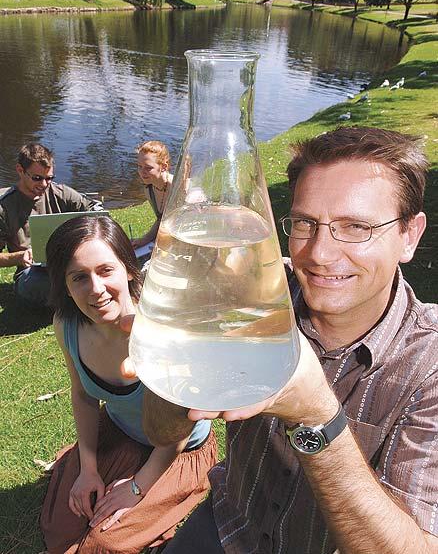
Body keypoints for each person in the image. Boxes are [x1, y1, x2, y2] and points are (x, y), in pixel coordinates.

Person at [124, 126, 437, 553]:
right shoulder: (251, 296)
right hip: (229, 527)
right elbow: (161, 431)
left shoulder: (429, 365)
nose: (320, 254)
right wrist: (174, 368)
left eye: (356, 227)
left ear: (410, 235)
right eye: (306, 223)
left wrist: (317, 416)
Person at [40, 215, 217, 554]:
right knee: (64, 525)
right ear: (64, 284)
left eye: (106, 270)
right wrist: (88, 469)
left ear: (129, 269)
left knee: (103, 541)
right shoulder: (66, 326)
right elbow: (83, 396)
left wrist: (138, 486)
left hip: (176, 450)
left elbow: (179, 428)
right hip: (120, 432)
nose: (95, 289)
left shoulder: (158, 329)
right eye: (79, 277)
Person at [0, 143, 102, 305]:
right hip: (33, 272)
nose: (44, 184)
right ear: (20, 170)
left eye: (49, 178)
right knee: (34, 284)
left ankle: (76, 292)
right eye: (37, 178)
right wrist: (19, 257)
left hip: (68, 262)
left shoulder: (60, 193)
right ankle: (79, 294)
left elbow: (94, 210)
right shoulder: (4, 206)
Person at [131, 140, 173, 252]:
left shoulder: (177, 188)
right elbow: (161, 220)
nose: (142, 172)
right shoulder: (149, 189)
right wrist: (144, 239)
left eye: (148, 168)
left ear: (163, 167)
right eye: (139, 166)